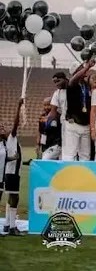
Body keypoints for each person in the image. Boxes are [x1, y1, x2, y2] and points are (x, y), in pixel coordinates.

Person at [62, 60, 95, 161]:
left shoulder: (86, 85)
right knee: (70, 154)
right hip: (73, 124)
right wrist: (87, 67)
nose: (84, 70)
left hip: (85, 124)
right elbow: (75, 78)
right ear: (75, 72)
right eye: (81, 68)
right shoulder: (71, 83)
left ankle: (82, 176)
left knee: (85, 155)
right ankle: (68, 175)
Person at [0, 99, 24, 236]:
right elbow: (16, 124)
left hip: (11, 172)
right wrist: (18, 106)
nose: (4, 128)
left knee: (11, 197)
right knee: (14, 197)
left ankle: (7, 225)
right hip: (12, 173)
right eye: (1, 128)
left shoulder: (6, 142)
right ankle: (12, 227)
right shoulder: (10, 138)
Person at [49, 71, 68, 158]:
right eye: (55, 82)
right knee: (65, 145)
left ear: (65, 79)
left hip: (78, 121)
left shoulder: (74, 88)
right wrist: (48, 121)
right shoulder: (57, 93)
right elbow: (53, 111)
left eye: (58, 81)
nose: (56, 84)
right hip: (65, 122)